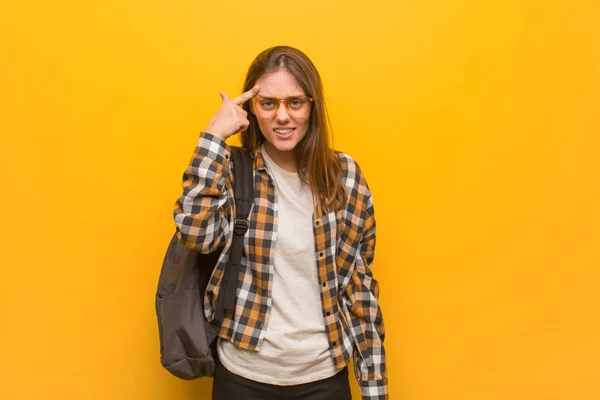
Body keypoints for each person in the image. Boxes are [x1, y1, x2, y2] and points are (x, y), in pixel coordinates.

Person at [173, 46, 387, 400]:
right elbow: (196, 234)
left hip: (323, 377)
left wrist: (374, 387)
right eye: (268, 103)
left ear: (312, 107)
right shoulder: (230, 168)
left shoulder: (343, 176)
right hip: (243, 377)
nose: (282, 116)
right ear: (252, 110)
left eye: (295, 103)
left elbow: (358, 286)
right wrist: (212, 138)